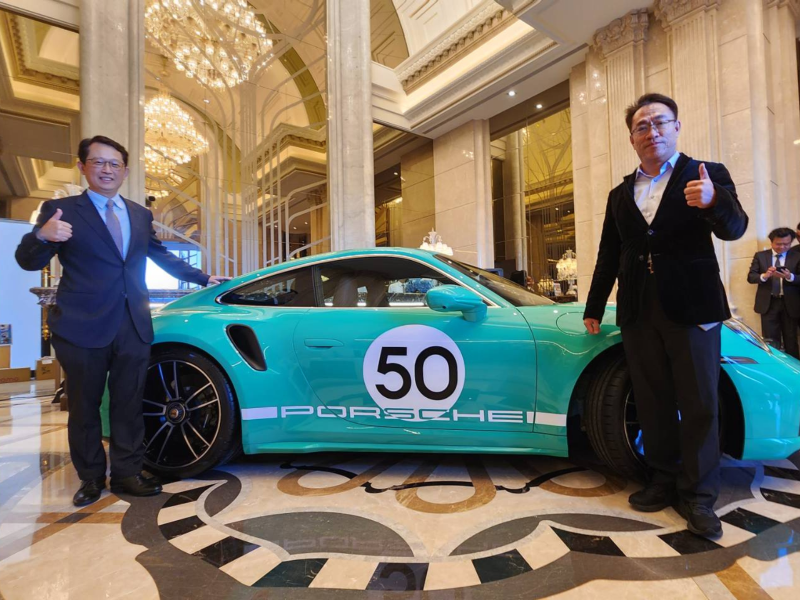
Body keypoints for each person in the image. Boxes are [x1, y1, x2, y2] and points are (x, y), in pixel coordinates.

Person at [15, 136, 229, 507]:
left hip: (132, 323)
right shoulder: (62, 209)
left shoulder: (139, 214)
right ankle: (91, 477)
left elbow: (159, 255)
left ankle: (128, 473)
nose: (107, 170)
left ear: (125, 171)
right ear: (82, 167)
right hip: (82, 324)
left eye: (114, 164)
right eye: (98, 162)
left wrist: (203, 278)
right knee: (84, 405)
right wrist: (41, 236)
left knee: (129, 402)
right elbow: (27, 260)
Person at [583, 93, 748, 538]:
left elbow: (735, 228)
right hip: (639, 310)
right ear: (632, 138)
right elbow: (609, 254)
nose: (651, 131)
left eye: (660, 122)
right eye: (642, 126)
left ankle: (699, 495)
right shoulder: (620, 194)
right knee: (652, 400)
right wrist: (594, 306)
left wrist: (714, 202)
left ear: (676, 127)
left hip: (694, 308)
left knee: (699, 403)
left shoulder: (706, 174)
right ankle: (662, 477)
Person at [747, 228, 799, 358]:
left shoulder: (797, 256)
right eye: (778, 244)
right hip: (768, 303)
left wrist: (790, 276)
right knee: (770, 341)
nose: (782, 247)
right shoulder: (760, 256)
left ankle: (794, 368)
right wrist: (765, 276)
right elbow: (751, 277)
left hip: (790, 304)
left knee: (791, 340)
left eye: (786, 244)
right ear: (771, 242)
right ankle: (773, 365)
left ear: (791, 242)